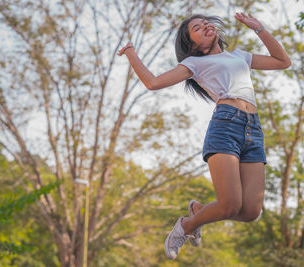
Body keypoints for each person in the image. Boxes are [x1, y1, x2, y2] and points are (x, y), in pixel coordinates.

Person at [118, 12, 291, 260]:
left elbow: (282, 61)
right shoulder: (195, 64)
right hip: (226, 126)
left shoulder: (239, 56)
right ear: (193, 45)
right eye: (197, 29)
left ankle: (198, 211)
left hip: (254, 128)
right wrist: (131, 52)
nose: (205, 26)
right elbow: (153, 83)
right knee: (230, 205)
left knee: (251, 211)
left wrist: (259, 28)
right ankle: (187, 225)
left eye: (205, 23)